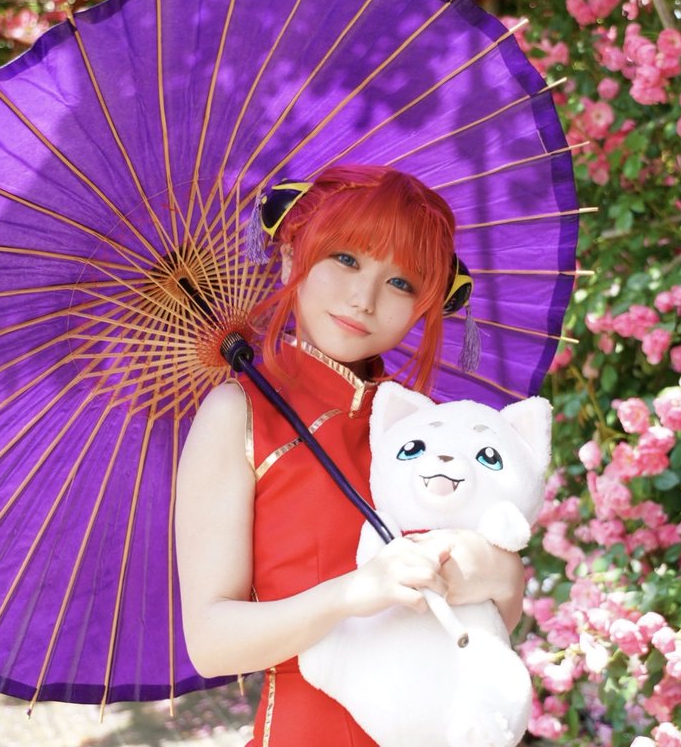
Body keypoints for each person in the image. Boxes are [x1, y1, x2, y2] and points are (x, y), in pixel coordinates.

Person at [175, 164, 526, 746]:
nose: (364, 299)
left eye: (402, 283)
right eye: (345, 258)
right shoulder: (239, 413)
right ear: (291, 256)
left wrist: (501, 576)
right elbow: (211, 642)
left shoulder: (428, 427)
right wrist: (353, 593)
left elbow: (485, 628)